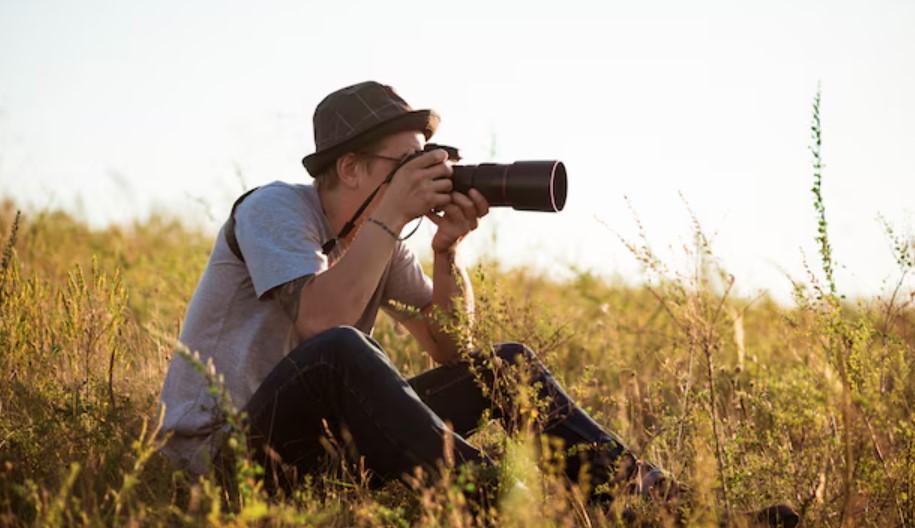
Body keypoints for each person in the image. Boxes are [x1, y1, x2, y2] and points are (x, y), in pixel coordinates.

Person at [158, 81, 797, 527]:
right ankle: (511, 509)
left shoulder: (378, 239)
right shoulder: (275, 208)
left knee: (506, 364)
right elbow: (323, 322)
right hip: (221, 462)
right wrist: (389, 216)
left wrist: (446, 252)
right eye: (408, 162)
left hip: (320, 461)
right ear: (349, 168)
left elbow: (453, 352)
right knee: (340, 351)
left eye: (431, 159)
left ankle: (668, 511)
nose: (428, 172)